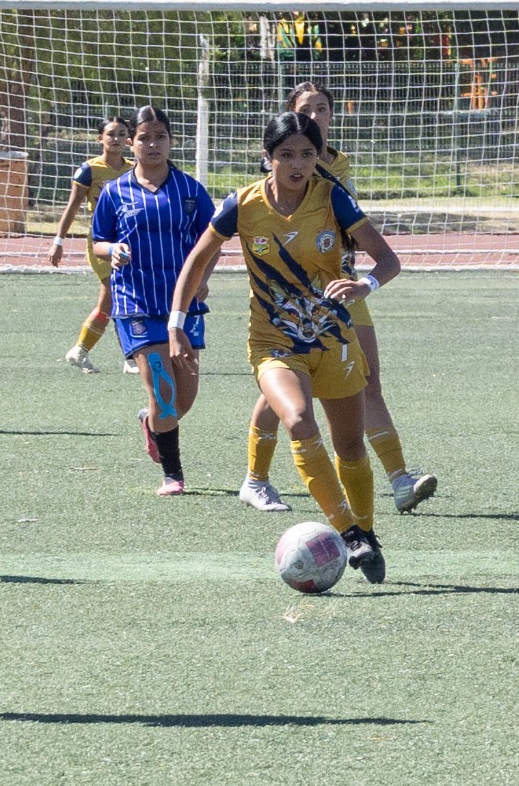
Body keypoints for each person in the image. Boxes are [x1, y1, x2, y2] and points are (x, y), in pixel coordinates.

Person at [170, 110, 397, 581]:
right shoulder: (242, 204)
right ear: (267, 157)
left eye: (307, 155)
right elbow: (197, 259)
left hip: (333, 336)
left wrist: (365, 286)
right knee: (296, 418)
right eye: (286, 155)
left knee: (350, 448)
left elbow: (388, 260)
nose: (297, 165)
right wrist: (177, 322)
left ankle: (367, 534)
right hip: (273, 339)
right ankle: (349, 533)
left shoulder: (334, 197)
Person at [237, 81, 438, 515]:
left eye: (323, 109)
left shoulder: (336, 167)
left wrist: (365, 278)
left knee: (367, 381)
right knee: (287, 395)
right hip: (287, 307)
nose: (316, 117)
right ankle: (256, 479)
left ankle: (399, 479)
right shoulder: (277, 171)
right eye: (306, 109)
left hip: (340, 290)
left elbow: (365, 238)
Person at [89, 105, 218, 496]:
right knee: (162, 390)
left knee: (185, 397)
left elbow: (211, 245)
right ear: (132, 143)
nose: (152, 143)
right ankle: (173, 475)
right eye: (144, 137)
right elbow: (97, 242)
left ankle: (152, 424)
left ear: (171, 141)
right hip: (136, 303)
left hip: (183, 306)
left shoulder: (191, 192)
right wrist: (111, 249)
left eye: (160, 136)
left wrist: (203, 281)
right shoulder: (115, 192)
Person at [50, 115, 134, 374]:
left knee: (119, 300)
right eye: (111, 134)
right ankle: (121, 357)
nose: (116, 138)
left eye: (121, 134)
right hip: (102, 242)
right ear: (100, 138)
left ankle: (93, 353)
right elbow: (72, 206)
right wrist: (58, 241)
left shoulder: (135, 167)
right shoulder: (89, 170)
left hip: (129, 241)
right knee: (115, 298)